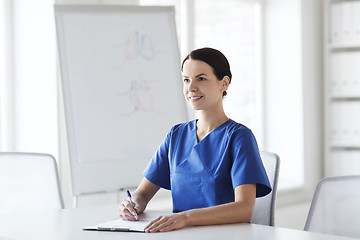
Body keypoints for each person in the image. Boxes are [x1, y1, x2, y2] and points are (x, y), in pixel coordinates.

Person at [119, 47, 271, 233]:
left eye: (201, 78)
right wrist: (132, 204)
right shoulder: (176, 135)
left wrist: (185, 218)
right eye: (186, 80)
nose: (191, 87)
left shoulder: (239, 137)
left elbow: (244, 209)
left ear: (224, 83)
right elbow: (142, 193)